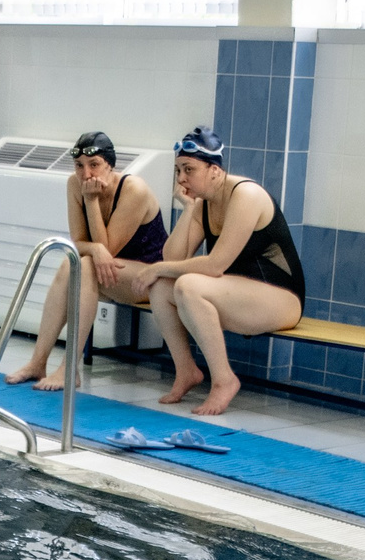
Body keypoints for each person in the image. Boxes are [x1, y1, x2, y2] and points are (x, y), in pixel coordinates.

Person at [116, 128, 307, 416]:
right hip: (239, 290)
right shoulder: (205, 204)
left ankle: (224, 380)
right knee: (163, 286)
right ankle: (186, 371)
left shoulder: (246, 194)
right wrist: (190, 207)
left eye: (189, 170)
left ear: (215, 171)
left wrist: (159, 268)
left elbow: (214, 265)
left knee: (189, 285)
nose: (181, 178)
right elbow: (173, 256)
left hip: (282, 298)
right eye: (178, 170)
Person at [3, 131, 167, 390]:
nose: (86, 174)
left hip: (148, 278)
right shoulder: (74, 184)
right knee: (72, 262)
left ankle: (69, 368)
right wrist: (94, 248)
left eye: (94, 165)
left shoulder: (133, 190)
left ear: (110, 165)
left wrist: (91, 202)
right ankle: (38, 361)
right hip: (110, 274)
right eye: (79, 166)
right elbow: (78, 244)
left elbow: (107, 250)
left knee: (85, 265)